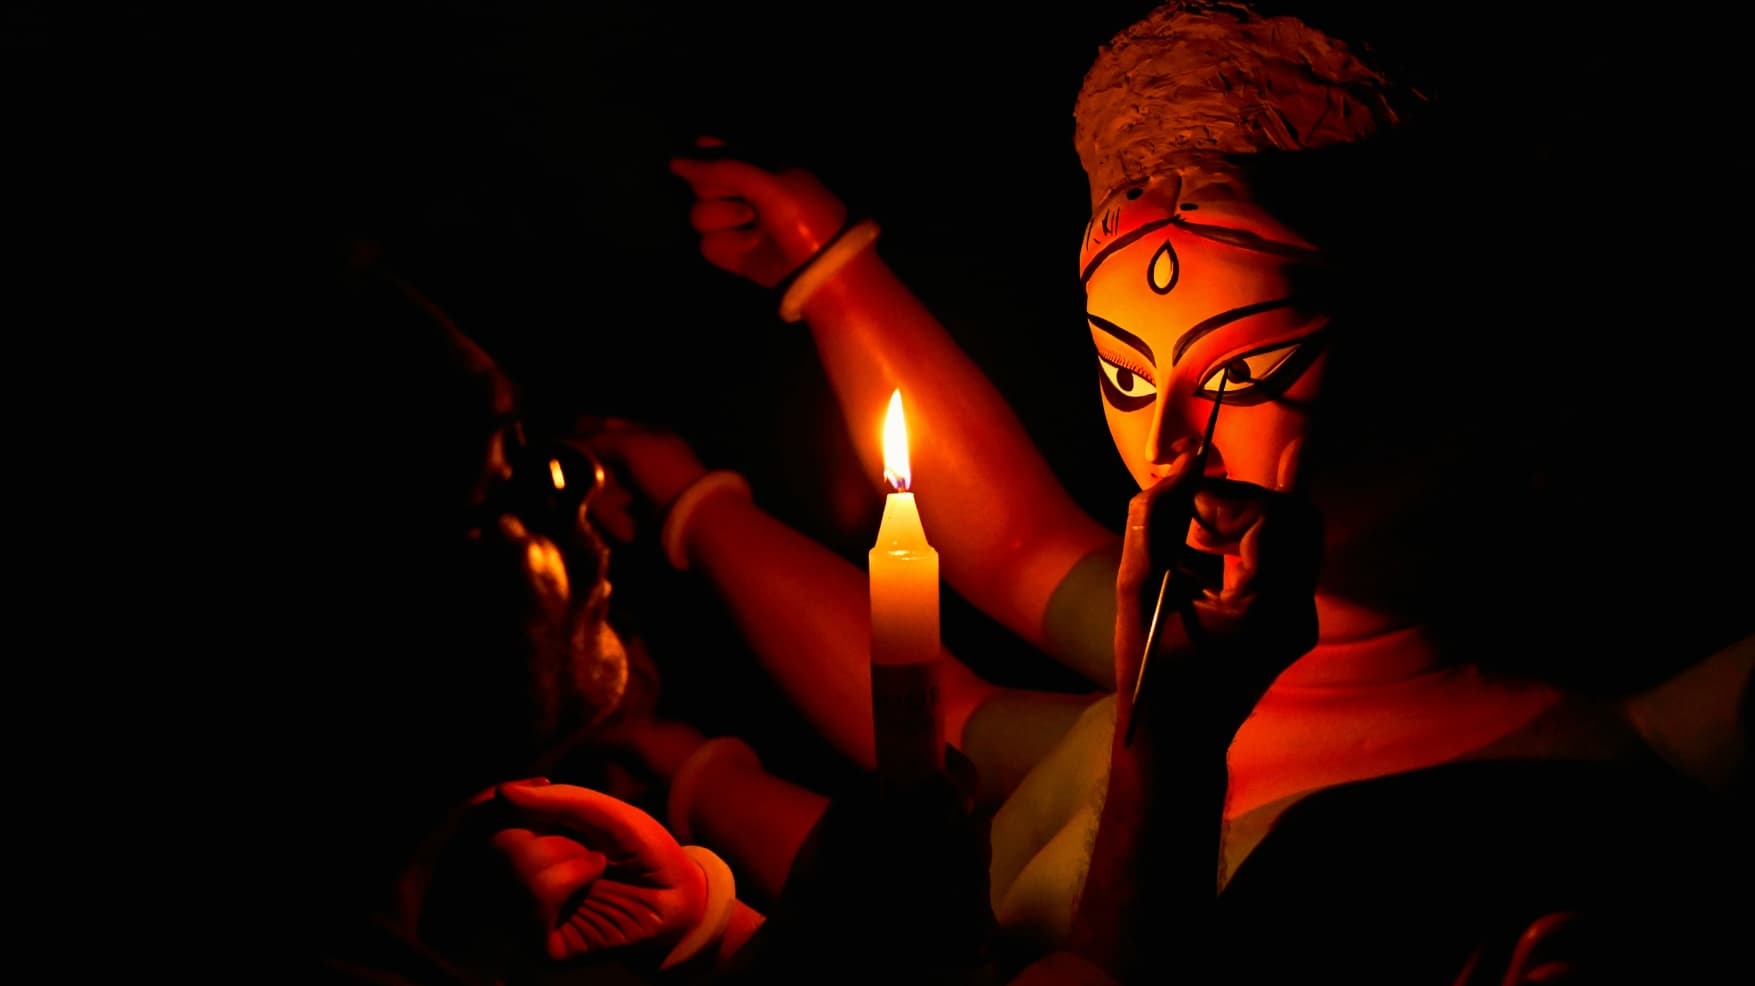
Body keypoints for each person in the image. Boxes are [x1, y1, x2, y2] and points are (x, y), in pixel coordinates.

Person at [580, 1, 1750, 983]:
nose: (1170, 446)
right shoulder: (1161, 666)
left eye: (1245, 370)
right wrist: (820, 281)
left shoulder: (1524, 822)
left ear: (1467, 366)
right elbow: (1000, 577)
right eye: (1127, 374)